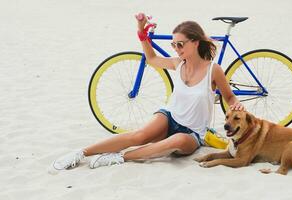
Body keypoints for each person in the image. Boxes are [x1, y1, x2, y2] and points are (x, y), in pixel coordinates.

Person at [50, 13, 244, 171]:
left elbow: (229, 96)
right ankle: (81, 153)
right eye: (173, 44)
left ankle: (119, 157)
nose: (176, 49)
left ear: (195, 42)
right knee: (139, 136)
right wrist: (141, 32)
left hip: (193, 134)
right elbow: (151, 59)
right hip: (170, 116)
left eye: (180, 44)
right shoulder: (178, 63)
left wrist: (235, 103)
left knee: (174, 141)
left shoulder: (213, 70)